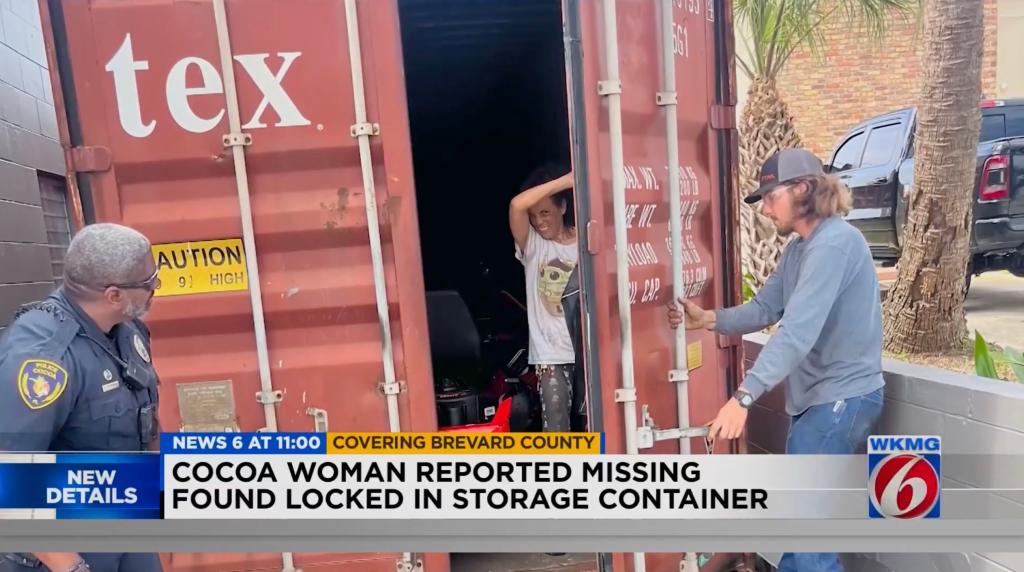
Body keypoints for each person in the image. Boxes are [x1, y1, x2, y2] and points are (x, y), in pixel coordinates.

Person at [668, 149, 885, 572]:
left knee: (808, 543)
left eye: (770, 197)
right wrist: (709, 319)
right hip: (820, 401)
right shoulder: (802, 249)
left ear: (802, 190)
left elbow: (797, 332)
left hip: (841, 400)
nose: (765, 209)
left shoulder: (834, 245)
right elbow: (767, 308)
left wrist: (743, 398)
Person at [0, 223, 164, 572]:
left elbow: (145, 417)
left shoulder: (126, 329)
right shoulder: (44, 360)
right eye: (149, 283)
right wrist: (72, 568)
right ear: (114, 295)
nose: (156, 289)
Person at [510, 165, 579, 432]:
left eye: (546, 212)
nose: (539, 221)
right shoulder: (534, 246)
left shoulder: (586, 240)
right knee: (558, 435)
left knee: (594, 429)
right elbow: (517, 206)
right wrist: (568, 180)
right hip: (552, 357)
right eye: (534, 215)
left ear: (562, 207)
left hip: (588, 353)